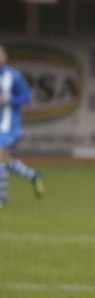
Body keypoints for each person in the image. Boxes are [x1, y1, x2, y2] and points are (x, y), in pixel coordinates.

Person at [0, 45, 44, 211]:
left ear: (5, 57)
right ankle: (33, 176)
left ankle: (2, 199)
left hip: (9, 126)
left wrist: (9, 100)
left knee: (0, 158)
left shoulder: (14, 77)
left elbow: (25, 97)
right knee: (3, 162)